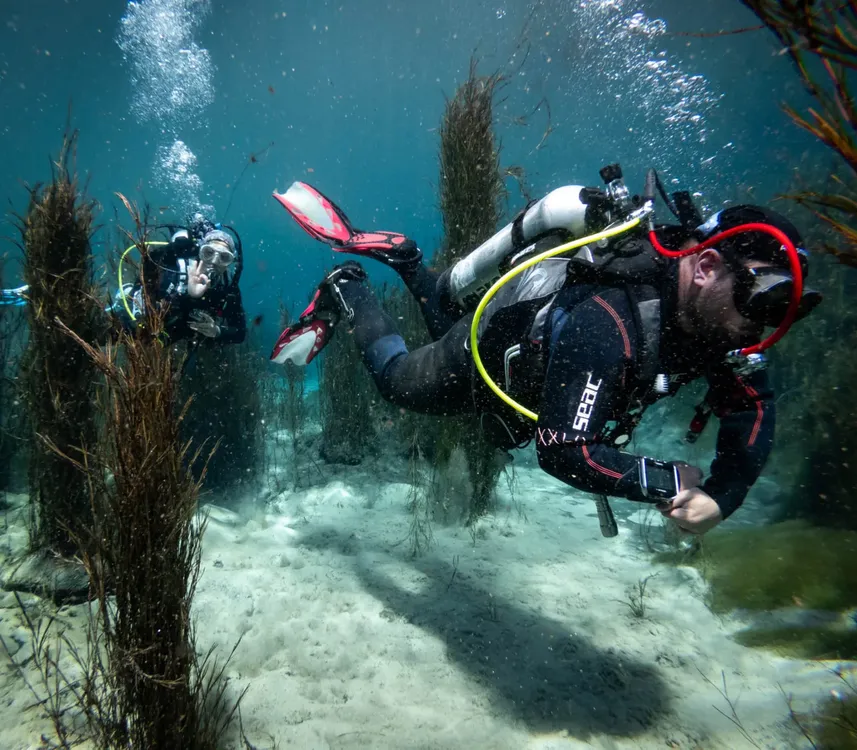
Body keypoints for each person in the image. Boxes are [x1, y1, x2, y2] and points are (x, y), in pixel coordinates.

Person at [269, 170, 821, 536]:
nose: (762, 324)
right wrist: (666, 481)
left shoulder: (721, 327)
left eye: (783, 310)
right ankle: (347, 286)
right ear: (705, 269)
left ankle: (411, 262)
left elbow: (751, 407)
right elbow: (564, 450)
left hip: (513, 343)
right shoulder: (612, 321)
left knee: (456, 321)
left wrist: (724, 494)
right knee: (400, 381)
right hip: (491, 355)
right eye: (760, 299)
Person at [110, 212, 247, 344]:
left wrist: (217, 331)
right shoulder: (177, 271)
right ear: (200, 252)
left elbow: (240, 333)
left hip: (171, 337)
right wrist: (171, 251)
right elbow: (149, 267)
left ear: (230, 263)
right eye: (208, 253)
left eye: (224, 257)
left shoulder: (228, 290)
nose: (214, 261)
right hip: (143, 325)